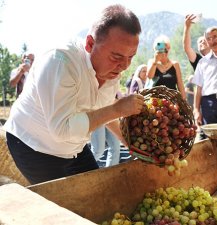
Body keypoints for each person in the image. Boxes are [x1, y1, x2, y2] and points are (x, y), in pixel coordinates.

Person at [3, 4, 144, 185]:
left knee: (98, 195)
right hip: (34, 146)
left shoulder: (111, 71)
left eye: (130, 57)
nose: (125, 66)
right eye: (116, 57)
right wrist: (117, 110)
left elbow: (104, 113)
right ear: (90, 44)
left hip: (74, 147)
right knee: (63, 209)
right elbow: (62, 129)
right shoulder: (60, 61)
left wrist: (131, 144)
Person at [146, 35, 186, 99]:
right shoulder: (152, 62)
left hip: (172, 100)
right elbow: (149, 76)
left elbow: (180, 85)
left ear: (169, 48)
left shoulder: (175, 64)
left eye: (166, 48)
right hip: (155, 100)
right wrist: (155, 61)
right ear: (156, 49)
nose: (164, 51)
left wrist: (183, 100)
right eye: (161, 48)